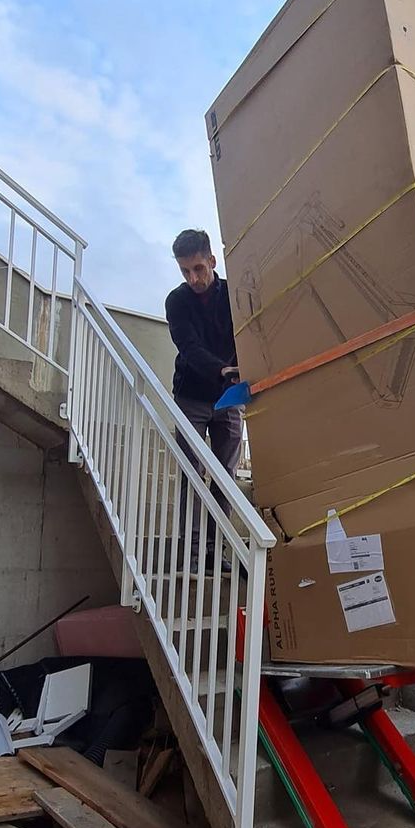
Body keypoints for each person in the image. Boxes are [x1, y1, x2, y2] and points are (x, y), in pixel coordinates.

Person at [164, 229, 243, 572]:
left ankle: (215, 553)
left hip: (230, 397)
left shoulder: (234, 294)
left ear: (212, 261)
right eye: (185, 271)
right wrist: (223, 370)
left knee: (225, 474)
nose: (193, 278)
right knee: (193, 473)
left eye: (198, 268)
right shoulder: (176, 301)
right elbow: (189, 347)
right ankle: (193, 556)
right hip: (191, 395)